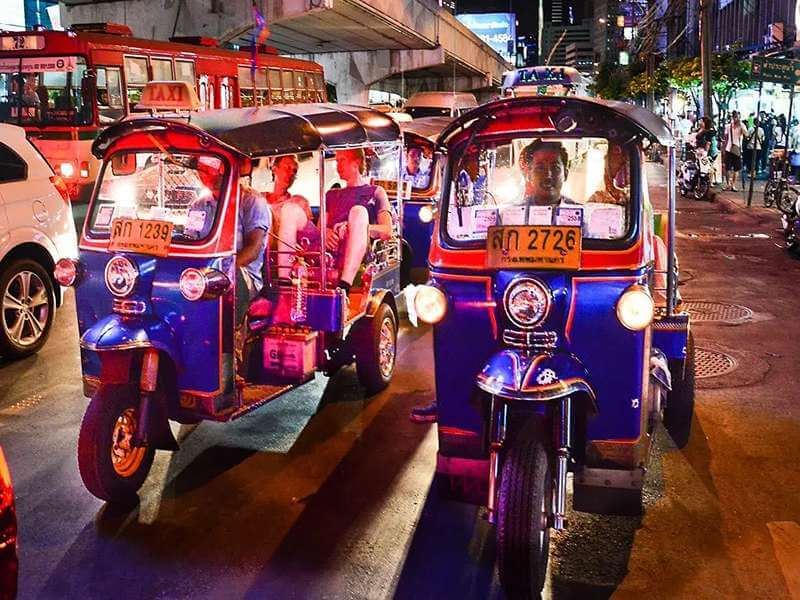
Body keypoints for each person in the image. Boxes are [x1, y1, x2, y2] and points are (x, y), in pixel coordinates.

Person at [276, 148, 393, 294]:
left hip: (355, 245)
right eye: (337, 161)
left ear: (356, 162)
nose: (337, 166)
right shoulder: (331, 194)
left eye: (342, 160)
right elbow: (320, 228)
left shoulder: (375, 191)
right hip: (325, 247)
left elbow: (387, 231)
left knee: (358, 212)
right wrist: (326, 232)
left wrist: (358, 227)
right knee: (290, 209)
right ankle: (284, 283)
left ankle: (344, 287)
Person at [722, 111, 748, 192]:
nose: (736, 118)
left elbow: (746, 135)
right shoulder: (728, 126)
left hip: (737, 149)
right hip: (728, 149)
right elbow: (725, 138)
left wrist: (741, 126)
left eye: (737, 117)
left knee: (736, 169)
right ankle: (728, 184)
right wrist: (723, 148)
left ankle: (733, 184)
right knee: (727, 168)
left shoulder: (742, 126)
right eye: (735, 117)